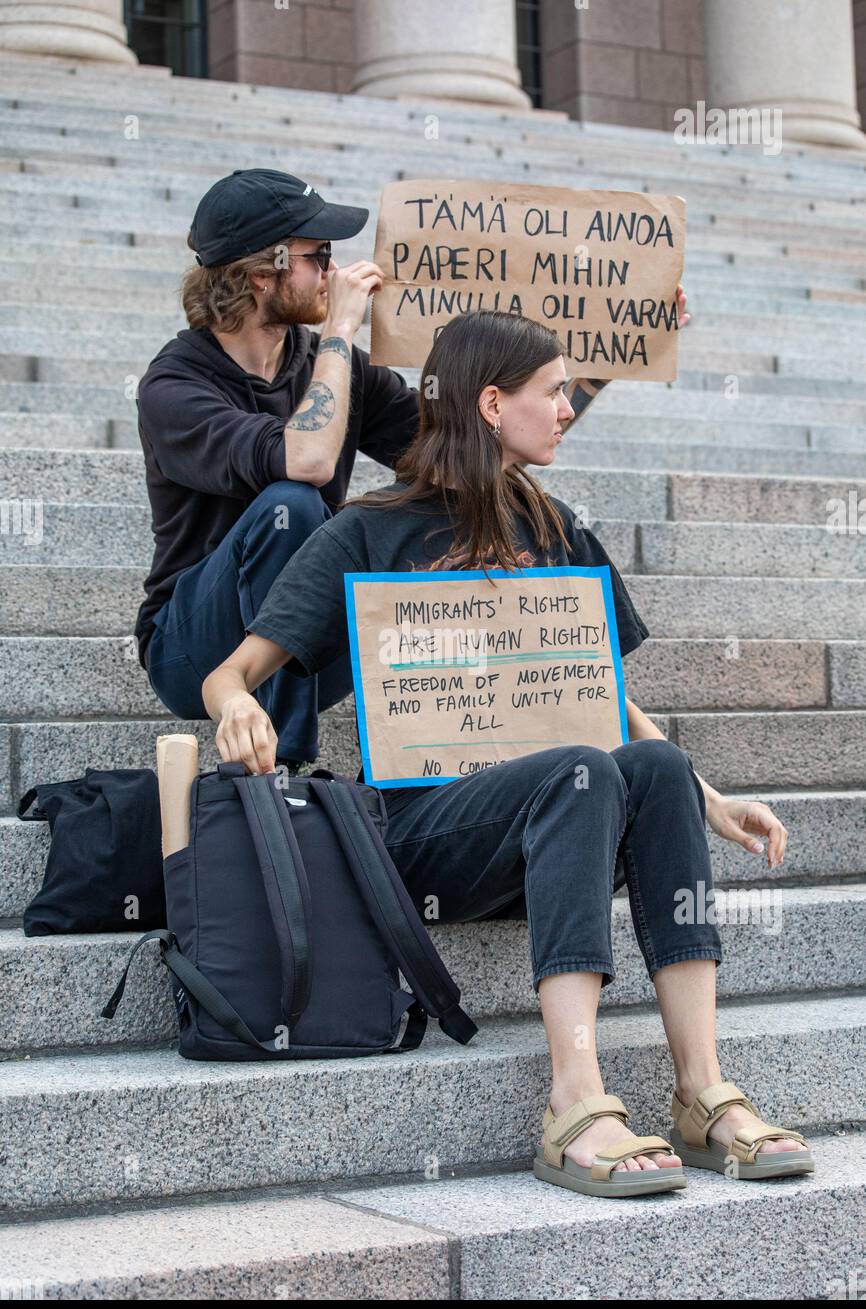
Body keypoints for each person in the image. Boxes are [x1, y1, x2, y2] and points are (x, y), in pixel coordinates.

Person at [200, 307, 814, 1198]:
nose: (567, 410)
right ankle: (574, 1100)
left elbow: (598, 692)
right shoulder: (370, 531)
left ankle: (702, 1092)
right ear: (492, 403)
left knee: (652, 764)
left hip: (558, 807)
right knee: (583, 767)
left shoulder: (555, 525)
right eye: (554, 392)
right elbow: (231, 672)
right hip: (424, 830)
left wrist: (708, 797)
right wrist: (235, 710)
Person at [134, 168, 619, 770]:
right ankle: (288, 768)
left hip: (305, 638)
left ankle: (468, 761)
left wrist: (602, 362)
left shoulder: (329, 364)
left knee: (461, 495)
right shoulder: (174, 386)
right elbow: (307, 461)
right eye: (320, 255)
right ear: (262, 274)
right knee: (293, 507)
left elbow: (470, 439)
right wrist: (340, 329)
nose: (335, 273)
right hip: (196, 650)